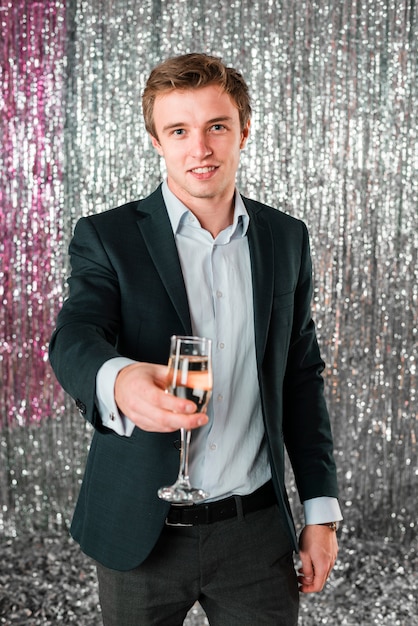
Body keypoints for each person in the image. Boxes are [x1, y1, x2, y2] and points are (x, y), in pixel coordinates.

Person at [49, 52, 342, 626]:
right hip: (140, 533)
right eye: (178, 130)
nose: (199, 148)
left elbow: (301, 376)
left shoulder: (285, 239)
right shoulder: (106, 237)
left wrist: (320, 514)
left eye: (216, 126)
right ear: (156, 141)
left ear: (243, 130)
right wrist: (121, 379)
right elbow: (75, 334)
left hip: (256, 534)